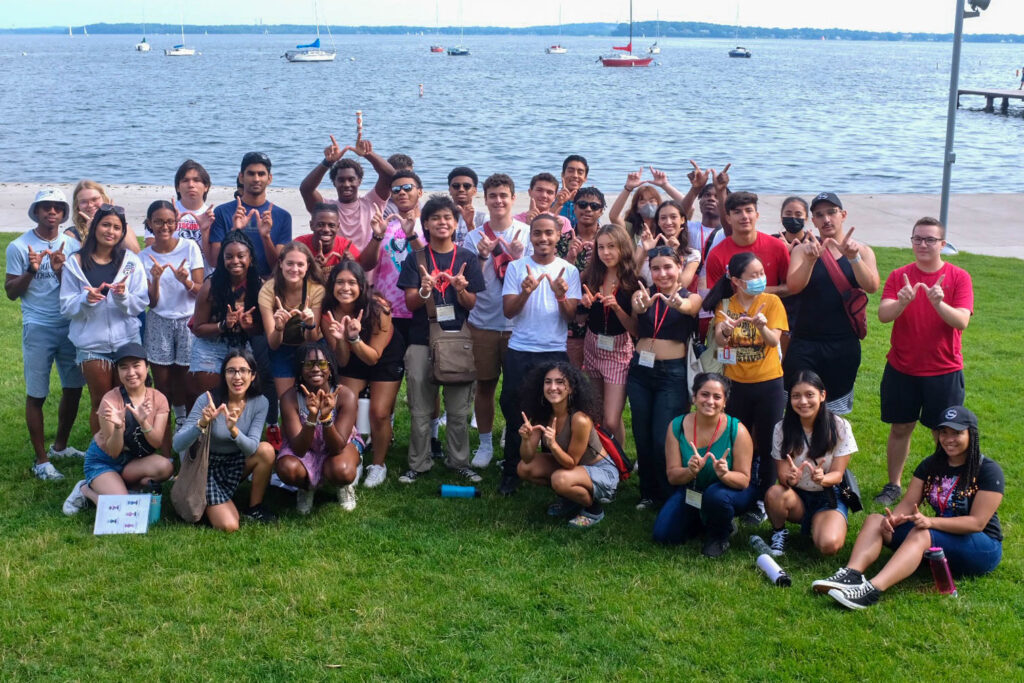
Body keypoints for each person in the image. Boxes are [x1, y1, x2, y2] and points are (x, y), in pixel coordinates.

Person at [816, 406, 1004, 610]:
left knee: (922, 533)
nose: (949, 439)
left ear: (972, 434)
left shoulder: (988, 470)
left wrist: (931, 522)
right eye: (944, 432)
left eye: (957, 433)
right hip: (942, 536)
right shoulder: (932, 464)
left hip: (983, 547)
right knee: (875, 520)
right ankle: (852, 574)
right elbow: (908, 502)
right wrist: (893, 519)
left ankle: (872, 590)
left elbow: (977, 523)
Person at [874, 217, 973, 506]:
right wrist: (903, 301)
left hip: (944, 370)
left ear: (943, 244)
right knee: (900, 427)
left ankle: (942, 485)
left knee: (944, 432)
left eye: (930, 239)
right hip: (902, 369)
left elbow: (962, 321)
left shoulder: (959, 277)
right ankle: (893, 485)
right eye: (917, 238)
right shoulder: (899, 275)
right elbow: (883, 315)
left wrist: (939, 303)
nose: (923, 244)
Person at [396, 195, 486, 484]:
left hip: (457, 338)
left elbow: (471, 304)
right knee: (421, 408)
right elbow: (410, 305)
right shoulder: (416, 258)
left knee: (459, 410)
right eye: (435, 218)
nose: (442, 223)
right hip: (422, 339)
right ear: (426, 224)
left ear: (456, 223)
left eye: (448, 217)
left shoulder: (467, 258)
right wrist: (424, 290)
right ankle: (418, 462)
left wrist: (460, 289)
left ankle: (459, 461)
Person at [498, 214, 581, 495]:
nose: (543, 238)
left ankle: (555, 467)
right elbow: (509, 311)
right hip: (521, 350)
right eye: (537, 233)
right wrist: (525, 292)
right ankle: (511, 470)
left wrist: (560, 296)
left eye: (549, 233)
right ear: (530, 236)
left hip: (554, 352)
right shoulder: (516, 267)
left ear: (559, 236)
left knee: (555, 413)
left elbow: (571, 317)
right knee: (514, 411)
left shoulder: (569, 270)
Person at [703, 251, 789, 522]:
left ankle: (764, 499)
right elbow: (720, 341)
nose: (760, 279)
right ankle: (742, 491)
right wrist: (727, 329)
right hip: (736, 385)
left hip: (769, 383)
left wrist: (762, 327)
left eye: (762, 273)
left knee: (768, 442)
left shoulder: (772, 302)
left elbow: (774, 342)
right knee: (741, 441)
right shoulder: (726, 305)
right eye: (753, 276)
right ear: (737, 281)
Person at [6, 189, 85, 480]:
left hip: (68, 325)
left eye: (57, 207)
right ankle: (41, 461)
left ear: (64, 213)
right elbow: (11, 293)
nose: (51, 212)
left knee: (74, 387)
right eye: (45, 207)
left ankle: (60, 447)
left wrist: (60, 270)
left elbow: (75, 287)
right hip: (38, 326)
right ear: (36, 211)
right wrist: (31, 269)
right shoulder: (18, 246)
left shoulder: (71, 245)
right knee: (37, 393)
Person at [785, 192, 880, 415]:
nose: (826, 219)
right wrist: (809, 261)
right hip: (805, 343)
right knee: (800, 406)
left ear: (843, 215)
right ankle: (798, 450)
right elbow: (794, 287)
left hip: (843, 344)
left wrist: (854, 258)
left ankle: (833, 449)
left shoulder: (862, 251)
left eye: (831, 212)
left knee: (835, 412)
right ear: (813, 221)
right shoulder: (802, 250)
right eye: (819, 215)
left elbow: (872, 286)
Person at [59, 204, 148, 435]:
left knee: (127, 401)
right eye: (106, 224)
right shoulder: (75, 262)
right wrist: (85, 299)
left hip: (125, 341)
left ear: (123, 232)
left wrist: (123, 296)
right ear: (95, 226)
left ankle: (127, 451)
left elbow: (140, 303)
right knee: (101, 403)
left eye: (117, 228)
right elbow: (66, 307)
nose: (111, 231)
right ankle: (102, 456)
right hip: (91, 345)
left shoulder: (130, 262)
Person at [627, 248, 703, 509]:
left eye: (668, 267)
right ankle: (648, 493)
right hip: (640, 372)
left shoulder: (690, 296)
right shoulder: (643, 293)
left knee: (664, 436)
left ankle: (670, 491)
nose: (662, 273)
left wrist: (677, 303)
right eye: (656, 268)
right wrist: (640, 306)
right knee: (642, 433)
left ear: (679, 266)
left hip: (672, 374)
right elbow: (636, 310)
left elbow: (690, 307)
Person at [463, 173, 530, 467]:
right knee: (485, 386)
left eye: (504, 195)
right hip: (484, 323)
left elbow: (531, 280)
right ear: (485, 199)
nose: (498, 201)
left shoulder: (526, 233)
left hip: (519, 326)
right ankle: (486, 443)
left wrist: (517, 258)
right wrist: (479, 258)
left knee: (519, 390)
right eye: (493, 196)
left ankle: (515, 441)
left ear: (514, 198)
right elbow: (467, 282)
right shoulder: (473, 236)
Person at [62, 343, 173, 516]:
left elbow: (157, 441)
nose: (131, 373)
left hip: (133, 460)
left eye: (136, 366)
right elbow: (114, 451)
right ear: (118, 372)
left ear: (147, 366)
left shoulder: (159, 399)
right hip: (104, 461)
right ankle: (85, 489)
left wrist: (143, 422)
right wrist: (119, 426)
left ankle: (124, 486)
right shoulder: (110, 401)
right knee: (122, 505)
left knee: (166, 467)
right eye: (124, 368)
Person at [652, 372, 755, 557]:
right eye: (704, 394)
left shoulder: (737, 430)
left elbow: (744, 481)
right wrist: (690, 471)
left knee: (715, 496)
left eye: (717, 397)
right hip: (692, 489)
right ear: (694, 397)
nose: (710, 401)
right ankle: (703, 520)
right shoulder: (677, 426)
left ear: (725, 402)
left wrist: (725, 475)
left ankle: (720, 535)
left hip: (728, 492)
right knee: (663, 535)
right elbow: (673, 476)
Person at [172, 349, 276, 530]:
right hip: (206, 467)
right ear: (224, 375)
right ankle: (202, 498)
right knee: (230, 525)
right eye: (231, 371)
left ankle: (254, 508)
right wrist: (201, 424)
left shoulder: (260, 402)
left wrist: (233, 430)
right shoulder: (208, 400)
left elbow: (251, 448)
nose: (237, 376)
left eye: (243, 370)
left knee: (266, 450)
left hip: (235, 463)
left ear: (253, 376)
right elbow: (177, 444)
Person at [322, 260, 404, 488]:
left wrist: (354, 338)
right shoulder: (328, 312)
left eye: (351, 282)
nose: (345, 288)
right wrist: (340, 340)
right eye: (339, 282)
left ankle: (378, 465)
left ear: (361, 286)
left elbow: (373, 357)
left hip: (383, 355)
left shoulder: (378, 308)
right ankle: (353, 455)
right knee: (346, 402)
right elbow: (342, 360)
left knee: (379, 412)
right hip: (350, 352)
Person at [760, 370, 856, 557]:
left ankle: (822, 522)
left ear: (822, 395)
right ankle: (779, 531)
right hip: (797, 497)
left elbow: (837, 474)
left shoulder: (840, 426)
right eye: (796, 396)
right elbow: (782, 476)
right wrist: (790, 478)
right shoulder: (781, 428)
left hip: (828, 495)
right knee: (774, 493)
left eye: (809, 395)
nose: (803, 402)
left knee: (829, 545)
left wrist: (823, 478)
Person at [518, 363, 618, 528]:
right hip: (570, 468)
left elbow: (571, 462)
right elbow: (527, 458)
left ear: (571, 389)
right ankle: (571, 499)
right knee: (524, 468)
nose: (553, 387)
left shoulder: (580, 419)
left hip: (600, 472)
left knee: (560, 479)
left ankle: (593, 509)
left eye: (560, 382)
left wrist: (553, 445)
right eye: (548, 382)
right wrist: (526, 440)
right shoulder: (542, 414)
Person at [275, 343, 362, 513]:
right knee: (287, 469)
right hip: (304, 448)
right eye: (308, 364)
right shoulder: (289, 398)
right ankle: (307, 487)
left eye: (322, 364)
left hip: (338, 448)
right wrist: (312, 417)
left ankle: (343, 486)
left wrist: (326, 417)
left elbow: (337, 447)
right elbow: (299, 449)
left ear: (330, 368)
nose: (316, 369)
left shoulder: (346, 396)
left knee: (342, 471)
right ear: (300, 369)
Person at [139, 200, 204, 428]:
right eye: (158, 222)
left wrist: (184, 281)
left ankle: (187, 423)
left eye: (169, 221)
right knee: (163, 382)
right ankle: (168, 424)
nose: (164, 227)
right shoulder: (143, 257)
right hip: (159, 321)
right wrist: (155, 279)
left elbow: (201, 292)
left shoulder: (189, 248)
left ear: (176, 223)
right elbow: (152, 302)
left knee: (186, 380)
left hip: (187, 320)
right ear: (149, 224)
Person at [579, 224, 639, 445]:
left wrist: (617, 308)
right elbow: (578, 318)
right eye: (601, 247)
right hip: (592, 345)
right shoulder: (591, 276)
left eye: (611, 246)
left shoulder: (632, 281)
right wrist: (583, 306)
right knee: (597, 413)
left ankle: (619, 463)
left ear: (623, 247)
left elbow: (635, 329)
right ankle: (604, 458)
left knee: (612, 420)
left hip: (619, 350)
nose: (606, 252)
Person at [188, 230, 262, 401]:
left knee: (239, 400)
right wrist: (223, 325)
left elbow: (260, 329)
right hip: (210, 346)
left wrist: (249, 326)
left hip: (241, 345)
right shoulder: (211, 285)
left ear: (250, 259)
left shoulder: (258, 286)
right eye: (229, 256)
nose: (235, 261)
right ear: (222, 259)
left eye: (241, 256)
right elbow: (198, 328)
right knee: (209, 401)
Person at [299, 135, 395, 249]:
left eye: (351, 179)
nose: (346, 185)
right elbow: (306, 189)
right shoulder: (326, 208)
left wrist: (368, 154)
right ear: (334, 182)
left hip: (369, 264)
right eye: (341, 180)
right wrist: (327, 163)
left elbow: (391, 177)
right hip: (337, 265)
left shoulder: (372, 202)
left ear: (359, 181)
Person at [258, 242, 325, 403]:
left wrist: (309, 324)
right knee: (287, 401)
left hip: (313, 347)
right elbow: (273, 344)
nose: (294, 269)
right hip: (283, 347)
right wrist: (279, 328)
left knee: (314, 400)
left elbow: (313, 340)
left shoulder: (316, 290)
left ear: (308, 266)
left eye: (300, 264)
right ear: (280, 263)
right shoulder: (268, 290)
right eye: (290, 263)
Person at [209, 152, 292, 278]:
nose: (256, 179)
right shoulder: (222, 212)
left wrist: (266, 237)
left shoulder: (283, 216)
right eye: (251, 173)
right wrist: (235, 231)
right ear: (241, 177)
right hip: (231, 281)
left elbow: (278, 267)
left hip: (266, 282)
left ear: (269, 178)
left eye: (261, 174)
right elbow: (215, 261)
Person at [704, 185, 790, 296]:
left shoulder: (777, 246)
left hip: (770, 309)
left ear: (757, 215)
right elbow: (717, 297)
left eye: (749, 211)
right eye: (737, 212)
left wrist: (758, 292)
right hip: (732, 311)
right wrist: (730, 312)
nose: (744, 216)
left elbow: (788, 287)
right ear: (728, 218)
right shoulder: (716, 255)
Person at [145, 160, 216, 273]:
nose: (191, 185)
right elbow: (151, 250)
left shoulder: (212, 216)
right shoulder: (163, 213)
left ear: (206, 186)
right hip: (169, 276)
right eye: (185, 180)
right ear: (178, 187)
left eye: (196, 180)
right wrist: (172, 225)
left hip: (204, 280)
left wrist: (205, 230)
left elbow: (214, 261)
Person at [560, 186, 605, 368]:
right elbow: (557, 282)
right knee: (572, 373)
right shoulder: (562, 240)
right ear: (574, 207)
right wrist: (570, 258)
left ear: (601, 211)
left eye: (594, 206)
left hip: (602, 316)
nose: (588, 209)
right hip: (570, 318)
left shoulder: (608, 240)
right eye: (583, 204)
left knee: (599, 377)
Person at [609, 166, 689, 242]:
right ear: (636, 207)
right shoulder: (631, 228)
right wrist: (628, 188)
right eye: (642, 202)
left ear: (659, 205)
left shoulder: (666, 225)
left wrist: (665, 185)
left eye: (652, 201)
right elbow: (613, 216)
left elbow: (688, 206)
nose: (648, 205)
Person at [295, 202, 375, 273]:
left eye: (331, 225)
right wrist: (313, 268)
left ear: (338, 227)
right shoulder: (299, 245)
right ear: (311, 225)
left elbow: (358, 279)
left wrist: (350, 265)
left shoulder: (345, 248)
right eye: (320, 225)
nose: (326, 229)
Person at [636, 200, 701, 288]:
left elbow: (682, 285)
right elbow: (632, 276)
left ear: (682, 220)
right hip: (646, 295)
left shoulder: (693, 255)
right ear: (658, 222)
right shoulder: (646, 243)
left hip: (674, 299)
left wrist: (672, 253)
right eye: (663, 218)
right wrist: (645, 252)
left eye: (673, 217)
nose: (668, 222)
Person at [66, 180, 142, 253]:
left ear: (104, 198)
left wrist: (116, 221)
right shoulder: (71, 234)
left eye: (94, 199)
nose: (90, 205)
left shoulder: (122, 226)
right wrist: (92, 231)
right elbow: (79, 261)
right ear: (77, 206)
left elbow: (136, 254)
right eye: (83, 202)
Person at [447, 166, 487, 245]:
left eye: (466, 186)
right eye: (456, 186)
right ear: (449, 190)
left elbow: (482, 249)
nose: (461, 189)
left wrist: (470, 225)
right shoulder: (441, 217)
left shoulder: (483, 219)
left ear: (474, 191)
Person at [550, 154, 589, 228]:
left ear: (585, 178)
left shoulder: (589, 203)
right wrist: (558, 204)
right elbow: (542, 221)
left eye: (580, 173)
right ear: (563, 174)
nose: (575, 175)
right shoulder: (551, 198)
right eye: (570, 171)